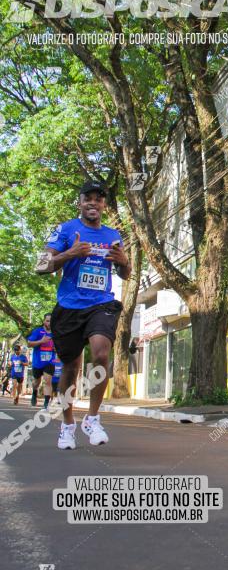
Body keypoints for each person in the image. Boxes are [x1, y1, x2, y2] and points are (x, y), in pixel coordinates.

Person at [38, 180, 131, 450]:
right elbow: (40, 265)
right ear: (79, 203)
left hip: (100, 304)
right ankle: (67, 425)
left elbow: (125, 273)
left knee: (101, 353)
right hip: (69, 307)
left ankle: (92, 418)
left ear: (104, 205)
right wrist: (69, 253)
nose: (93, 203)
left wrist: (124, 262)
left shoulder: (113, 234)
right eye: (87, 198)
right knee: (70, 368)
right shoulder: (66, 230)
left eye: (98, 199)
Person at [27, 313, 55, 409]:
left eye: (51, 320)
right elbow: (29, 343)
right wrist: (41, 341)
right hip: (38, 362)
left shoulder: (55, 333)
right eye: (47, 320)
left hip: (50, 361)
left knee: (48, 381)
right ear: (44, 321)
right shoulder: (37, 331)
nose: (49, 323)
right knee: (37, 382)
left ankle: (46, 404)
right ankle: (34, 392)